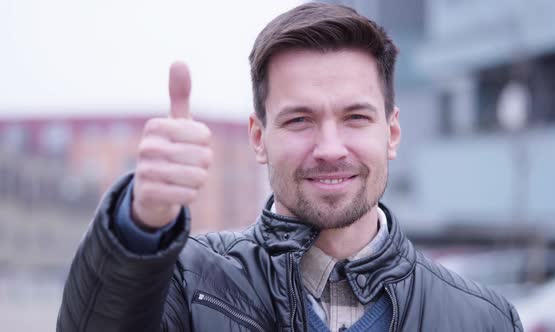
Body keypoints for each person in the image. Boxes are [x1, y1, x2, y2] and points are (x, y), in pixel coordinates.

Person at [57, 3, 522, 331]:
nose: (330, 148)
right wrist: (142, 223)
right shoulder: (184, 283)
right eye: (300, 120)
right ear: (259, 138)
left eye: (355, 117)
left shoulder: (484, 319)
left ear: (392, 132)